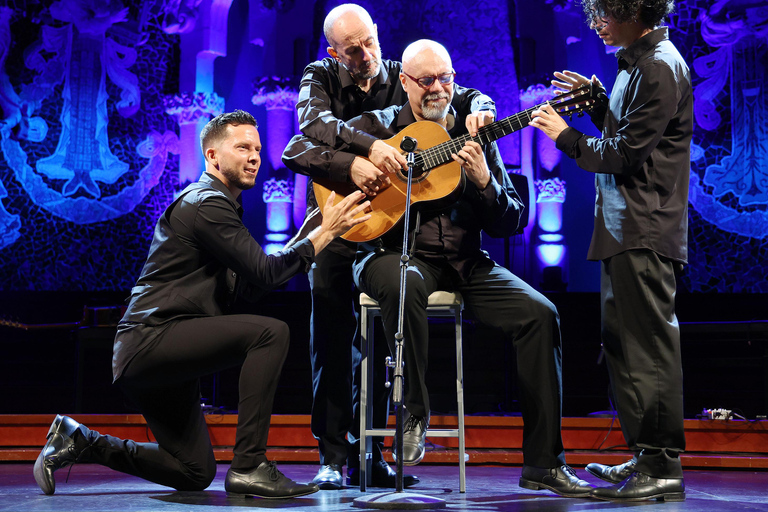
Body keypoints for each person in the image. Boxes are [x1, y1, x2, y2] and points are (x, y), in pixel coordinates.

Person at [287, 38, 592, 498]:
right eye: (425, 80)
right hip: (392, 255)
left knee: (541, 314)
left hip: (466, 263)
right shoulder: (379, 124)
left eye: (445, 78)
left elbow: (512, 220)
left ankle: (544, 463)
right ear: (404, 82)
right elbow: (300, 146)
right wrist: (357, 162)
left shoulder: (475, 131)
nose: (437, 88)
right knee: (403, 281)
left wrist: (485, 183)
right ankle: (413, 412)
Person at [33, 110, 371, 499]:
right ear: (212, 156)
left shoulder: (221, 206)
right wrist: (325, 231)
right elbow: (266, 272)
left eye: (258, 148)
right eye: (242, 147)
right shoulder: (205, 202)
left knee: (193, 470)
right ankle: (249, 465)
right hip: (151, 341)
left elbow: (250, 287)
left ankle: (79, 440)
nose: (255, 156)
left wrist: (312, 232)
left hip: (161, 354)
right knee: (270, 333)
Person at [281, 3, 495, 490]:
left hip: (391, 227)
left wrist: (483, 105)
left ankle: (372, 454)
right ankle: (333, 454)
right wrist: (359, 158)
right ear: (334, 52)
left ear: (378, 34)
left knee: (381, 345)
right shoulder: (320, 77)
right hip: (339, 219)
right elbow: (305, 137)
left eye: (370, 42)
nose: (365, 55)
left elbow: (461, 92)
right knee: (333, 339)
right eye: (352, 50)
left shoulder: (402, 75)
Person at [530, 0, 691, 502]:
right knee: (622, 347)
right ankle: (646, 456)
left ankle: (662, 465)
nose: (596, 23)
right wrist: (600, 103)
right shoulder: (637, 66)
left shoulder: (660, 66)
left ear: (633, 10)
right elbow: (627, 136)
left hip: (645, 228)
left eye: (603, 13)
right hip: (625, 229)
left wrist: (566, 136)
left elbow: (622, 156)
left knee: (649, 351)